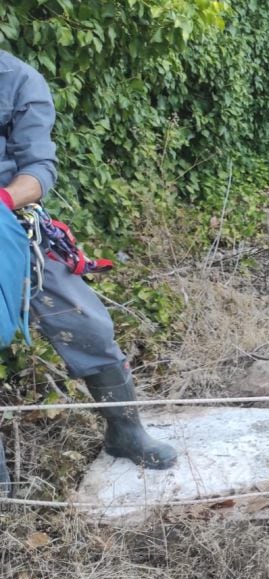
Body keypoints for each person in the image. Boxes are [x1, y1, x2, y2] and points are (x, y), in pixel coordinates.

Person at [0, 50, 177, 496]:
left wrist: (3, 202)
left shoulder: (19, 80)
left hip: (10, 222)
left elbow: (39, 169)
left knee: (89, 324)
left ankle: (124, 431)